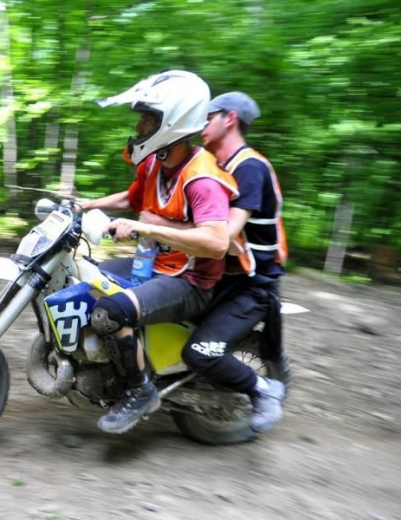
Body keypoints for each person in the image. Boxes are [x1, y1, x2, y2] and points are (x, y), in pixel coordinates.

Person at [79, 70, 238, 434]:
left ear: (173, 122)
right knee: (85, 280)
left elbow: (217, 242)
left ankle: (140, 390)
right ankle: (109, 368)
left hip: (190, 281)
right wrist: (82, 206)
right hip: (152, 264)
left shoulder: (202, 178)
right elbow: (129, 199)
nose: (138, 125)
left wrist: (145, 227)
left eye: (147, 119)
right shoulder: (155, 162)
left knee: (108, 313)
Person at [180, 91, 289, 433]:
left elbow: (222, 237)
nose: (201, 126)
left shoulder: (250, 168)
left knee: (200, 353)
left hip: (251, 287)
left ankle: (264, 391)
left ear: (230, 119)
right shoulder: (218, 168)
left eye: (208, 117)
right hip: (223, 278)